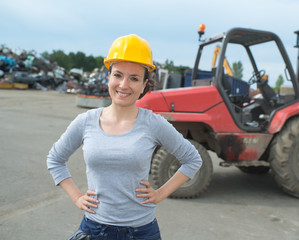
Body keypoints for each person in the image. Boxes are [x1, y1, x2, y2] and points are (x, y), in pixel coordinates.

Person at [47, 34, 202, 240]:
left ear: (144, 84)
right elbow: (55, 159)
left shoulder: (153, 123)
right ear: (108, 76)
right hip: (95, 229)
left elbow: (192, 159)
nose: (124, 84)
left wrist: (160, 193)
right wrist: (76, 197)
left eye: (134, 78)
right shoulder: (86, 121)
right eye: (118, 75)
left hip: (142, 232)